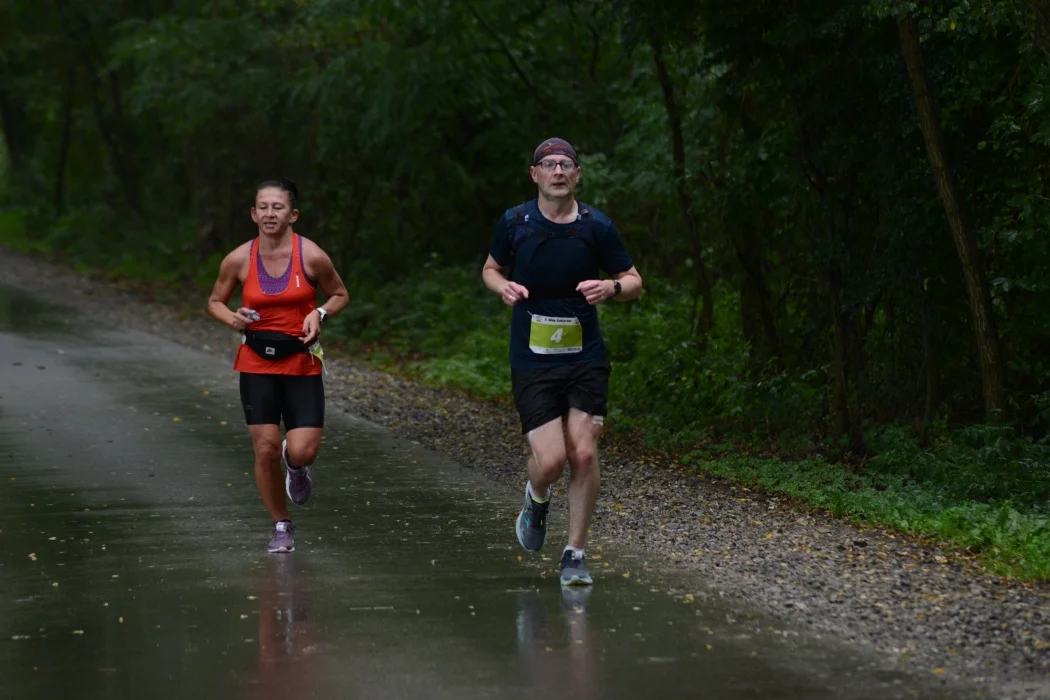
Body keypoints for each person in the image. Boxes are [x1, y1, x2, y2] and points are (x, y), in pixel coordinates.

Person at [482, 138, 643, 585]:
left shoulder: (596, 226)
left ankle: (575, 553)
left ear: (577, 175)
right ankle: (536, 495)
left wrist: (610, 288)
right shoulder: (515, 222)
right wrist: (502, 287)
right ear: (534, 174)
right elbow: (491, 268)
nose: (557, 171)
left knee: (585, 453)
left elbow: (633, 281)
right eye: (548, 164)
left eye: (566, 164)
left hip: (585, 355)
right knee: (551, 462)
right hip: (533, 359)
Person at [207, 178, 349, 553]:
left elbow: (339, 294)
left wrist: (319, 312)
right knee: (265, 449)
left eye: (278, 207)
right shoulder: (238, 258)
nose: (270, 214)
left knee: (302, 451)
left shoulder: (312, 256)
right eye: (263, 207)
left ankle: (297, 467)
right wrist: (232, 318)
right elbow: (215, 301)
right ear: (254, 214)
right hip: (256, 364)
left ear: (293, 214)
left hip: (302, 363)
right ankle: (281, 526)